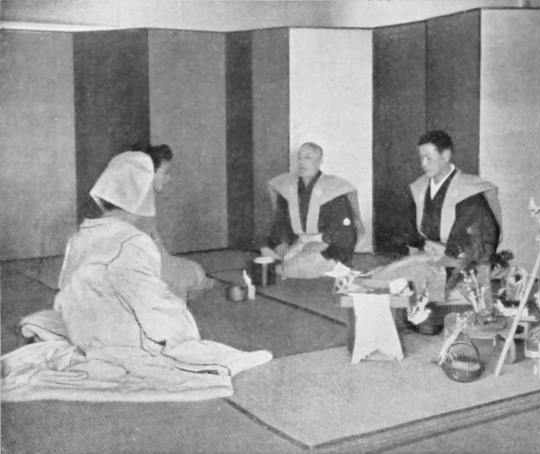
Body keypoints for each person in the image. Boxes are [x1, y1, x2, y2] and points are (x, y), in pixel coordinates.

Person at [1, 152, 272, 402]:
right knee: (185, 336)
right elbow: (150, 302)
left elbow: (66, 289)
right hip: (116, 336)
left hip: (79, 328)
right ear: (141, 194)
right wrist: (180, 320)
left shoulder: (80, 236)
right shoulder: (132, 240)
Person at [372, 130, 502, 315]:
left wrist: (434, 260)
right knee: (383, 276)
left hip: (455, 265)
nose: (423, 164)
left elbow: (478, 241)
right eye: (421, 158)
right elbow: (412, 232)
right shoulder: (420, 187)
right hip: (427, 257)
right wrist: (415, 256)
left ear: (446, 155)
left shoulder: (469, 192)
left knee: (389, 282)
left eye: (429, 158)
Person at [261, 142, 364, 279]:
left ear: (320, 162)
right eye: (299, 157)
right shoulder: (288, 187)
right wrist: (282, 242)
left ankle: (293, 265)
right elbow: (281, 222)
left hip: (325, 247)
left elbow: (345, 231)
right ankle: (290, 263)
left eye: (308, 157)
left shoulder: (334, 189)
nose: (302, 162)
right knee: (269, 254)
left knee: (292, 266)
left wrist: (325, 242)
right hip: (299, 243)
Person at [131, 143, 214, 300]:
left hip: (150, 265)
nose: (169, 179)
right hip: (140, 272)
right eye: (165, 173)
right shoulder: (135, 209)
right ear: (148, 173)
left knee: (195, 270)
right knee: (195, 275)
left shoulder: (143, 202)